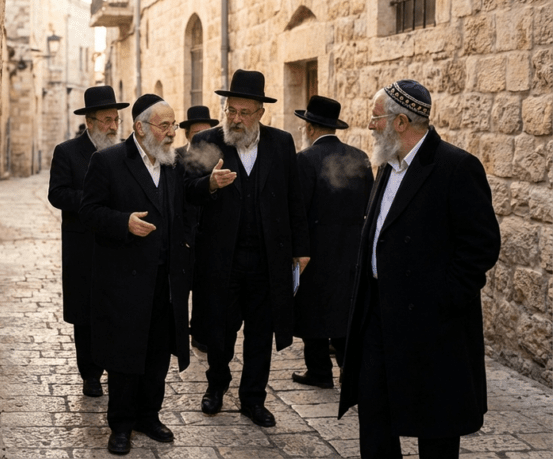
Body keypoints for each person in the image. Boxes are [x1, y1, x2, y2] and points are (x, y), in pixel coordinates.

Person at [338, 81, 501, 459]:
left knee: (437, 425)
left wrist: (444, 299)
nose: (370, 125)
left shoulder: (456, 167)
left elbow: (481, 246)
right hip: (378, 315)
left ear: (400, 122)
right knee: (374, 414)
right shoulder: (387, 164)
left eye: (376, 118)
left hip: (433, 324)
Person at [184, 69, 310, 428]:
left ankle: (253, 398)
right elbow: (185, 190)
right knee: (220, 329)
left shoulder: (281, 143)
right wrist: (209, 184)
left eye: (244, 112)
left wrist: (302, 248)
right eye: (231, 111)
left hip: (269, 258)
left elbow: (294, 198)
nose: (236, 119)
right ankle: (216, 386)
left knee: (261, 333)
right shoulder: (206, 141)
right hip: (222, 258)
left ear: (260, 113)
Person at [79, 94, 197, 455]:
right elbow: (89, 212)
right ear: (140, 128)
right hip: (124, 280)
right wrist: (123, 222)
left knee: (158, 353)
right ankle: (121, 425)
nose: (172, 132)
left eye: (173, 125)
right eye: (165, 126)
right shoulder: (108, 161)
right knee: (125, 354)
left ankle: (149, 416)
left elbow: (182, 206)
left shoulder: (172, 164)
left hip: (165, 280)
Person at [48, 85, 129, 397]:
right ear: (90, 122)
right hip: (83, 247)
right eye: (107, 120)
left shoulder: (123, 152)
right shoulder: (67, 152)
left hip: (117, 245)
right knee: (85, 314)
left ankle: (115, 366)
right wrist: (94, 200)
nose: (112, 126)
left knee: (115, 310)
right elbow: (57, 194)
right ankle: (90, 374)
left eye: (116, 119)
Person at [292, 95, 373, 389]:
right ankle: (352, 373)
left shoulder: (305, 159)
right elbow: (370, 203)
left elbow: (298, 210)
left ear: (310, 127)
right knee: (344, 309)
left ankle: (319, 372)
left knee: (312, 310)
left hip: (315, 250)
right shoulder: (360, 157)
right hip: (351, 249)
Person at [177, 105, 219, 353]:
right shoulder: (175, 158)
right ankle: (179, 334)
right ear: (187, 134)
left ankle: (201, 335)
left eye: (206, 133)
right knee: (181, 287)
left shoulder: (218, 157)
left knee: (206, 288)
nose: (201, 138)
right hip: (184, 232)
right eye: (196, 134)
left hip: (207, 234)